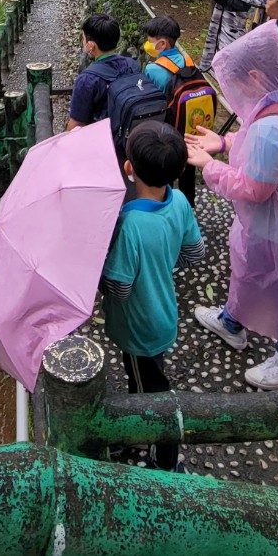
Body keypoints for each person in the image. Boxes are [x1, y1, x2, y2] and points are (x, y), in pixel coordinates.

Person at [184, 20, 278, 389]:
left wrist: (210, 166)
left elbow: (253, 188)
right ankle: (232, 322)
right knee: (248, 268)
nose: (232, 92)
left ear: (254, 75)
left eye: (233, 83)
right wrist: (227, 142)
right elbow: (260, 138)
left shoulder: (272, 129)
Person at [100, 121, 206, 471]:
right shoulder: (179, 203)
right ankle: (136, 429)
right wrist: (162, 257)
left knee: (153, 391)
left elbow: (121, 288)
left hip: (139, 325)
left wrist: (100, 272)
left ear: (128, 168)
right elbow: (194, 254)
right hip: (164, 311)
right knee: (145, 380)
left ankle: (165, 459)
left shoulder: (130, 225)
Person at [141, 14, 200, 207]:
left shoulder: (154, 69)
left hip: (167, 129)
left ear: (163, 44)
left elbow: (150, 101)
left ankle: (165, 205)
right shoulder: (188, 60)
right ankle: (188, 207)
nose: (147, 44)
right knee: (188, 168)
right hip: (190, 127)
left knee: (165, 167)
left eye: (150, 41)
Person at [67, 13, 138, 129]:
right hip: (130, 133)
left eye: (84, 39)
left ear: (91, 46)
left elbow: (76, 124)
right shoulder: (133, 65)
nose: (83, 42)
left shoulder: (86, 79)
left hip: (104, 140)